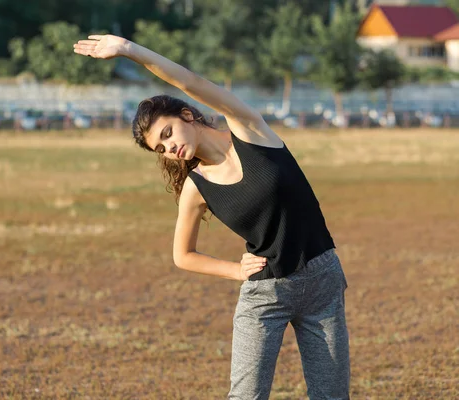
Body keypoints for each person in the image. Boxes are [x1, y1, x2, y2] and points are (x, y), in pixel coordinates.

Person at [74, 35, 350, 400]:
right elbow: (182, 255)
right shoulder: (196, 186)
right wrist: (235, 271)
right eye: (161, 147)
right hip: (265, 294)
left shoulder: (249, 129)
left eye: (168, 133)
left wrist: (129, 50)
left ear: (187, 115)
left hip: (322, 281)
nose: (170, 148)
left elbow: (190, 82)